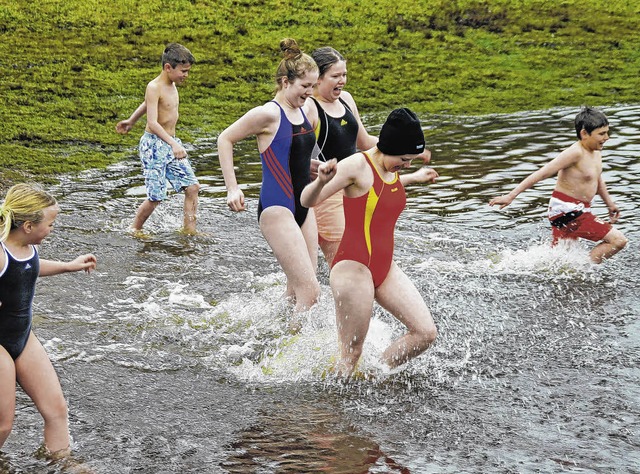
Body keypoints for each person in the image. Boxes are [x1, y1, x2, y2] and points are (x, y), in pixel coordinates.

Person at [301, 108, 439, 376]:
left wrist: (413, 178)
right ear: (389, 147)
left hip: (385, 267)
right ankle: (331, 405)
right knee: (351, 354)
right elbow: (307, 200)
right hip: (353, 269)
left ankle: (374, 375)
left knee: (425, 333)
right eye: (404, 159)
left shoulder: (392, 166)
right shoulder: (356, 165)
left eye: (411, 159)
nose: (407, 164)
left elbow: (383, 190)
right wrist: (321, 182)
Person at [217, 38, 321, 312]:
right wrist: (232, 188)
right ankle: (295, 352)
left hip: (305, 206)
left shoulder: (307, 109)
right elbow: (225, 139)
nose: (309, 92)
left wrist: (315, 167)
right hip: (277, 207)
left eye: (313, 86)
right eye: (304, 86)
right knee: (310, 293)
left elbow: (296, 156)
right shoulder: (267, 114)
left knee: (297, 289)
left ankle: (278, 335)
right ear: (285, 81)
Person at [307, 47, 435, 265]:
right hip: (326, 196)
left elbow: (365, 142)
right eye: (335, 76)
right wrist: (307, 164)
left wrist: (407, 150)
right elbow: (290, 151)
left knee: (360, 259)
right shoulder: (309, 107)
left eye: (344, 75)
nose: (342, 81)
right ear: (317, 78)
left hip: (353, 191)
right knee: (345, 263)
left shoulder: (346, 99)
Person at [0, 183, 97, 458]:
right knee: (3, 425)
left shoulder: (25, 247)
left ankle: (61, 461)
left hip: (22, 337)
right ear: (28, 225)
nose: (52, 229)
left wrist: (68, 266)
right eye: (50, 224)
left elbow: (27, 269)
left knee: (56, 411)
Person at [489, 106, 628, 263]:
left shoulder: (596, 152)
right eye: (601, 134)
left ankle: (512, 264)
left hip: (577, 208)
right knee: (618, 240)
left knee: (561, 260)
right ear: (584, 134)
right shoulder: (575, 153)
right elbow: (542, 173)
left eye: (607, 132)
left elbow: (597, 178)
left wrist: (609, 203)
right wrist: (510, 196)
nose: (607, 137)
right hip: (567, 210)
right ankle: (584, 267)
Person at [116, 43, 200, 234]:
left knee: (193, 187)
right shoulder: (154, 86)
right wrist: (173, 144)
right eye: (183, 71)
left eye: (188, 71)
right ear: (168, 67)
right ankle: (134, 228)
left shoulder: (171, 84)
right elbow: (153, 123)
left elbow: (147, 104)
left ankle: (190, 231)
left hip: (170, 143)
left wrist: (131, 120)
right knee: (156, 196)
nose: (186, 75)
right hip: (154, 146)